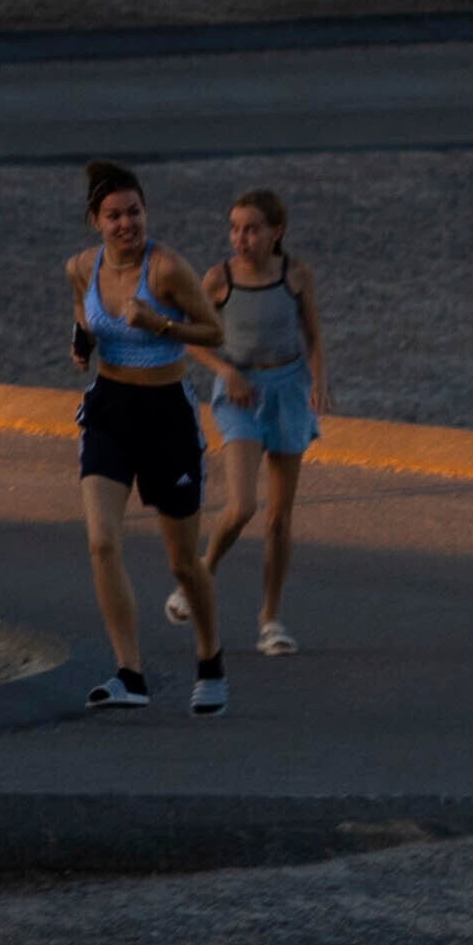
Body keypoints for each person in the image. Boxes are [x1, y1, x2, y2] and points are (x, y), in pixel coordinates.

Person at [63, 162, 229, 716]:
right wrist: (82, 343)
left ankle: (210, 660)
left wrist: (161, 326)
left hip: (166, 417)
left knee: (183, 562)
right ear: (95, 221)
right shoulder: (81, 267)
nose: (126, 224)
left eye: (134, 212)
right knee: (101, 542)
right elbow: (82, 318)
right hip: (110, 410)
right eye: (114, 215)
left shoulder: (166, 270)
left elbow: (214, 331)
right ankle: (129, 674)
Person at [181, 188, 326, 658]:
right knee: (242, 504)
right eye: (235, 228)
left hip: (287, 391)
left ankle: (270, 619)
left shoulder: (295, 275)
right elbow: (189, 336)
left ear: (275, 232)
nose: (240, 238)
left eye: (251, 229)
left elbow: (313, 336)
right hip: (241, 394)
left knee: (280, 518)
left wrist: (318, 381)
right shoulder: (218, 279)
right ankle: (202, 570)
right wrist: (225, 370)